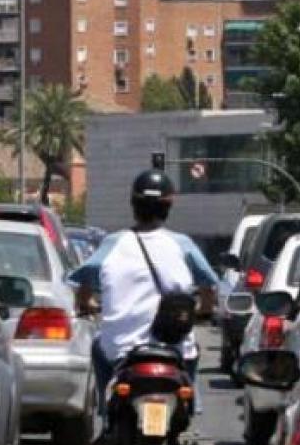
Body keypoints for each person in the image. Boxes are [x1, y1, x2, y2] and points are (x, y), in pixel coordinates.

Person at [68, 169, 219, 408]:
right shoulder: (182, 244)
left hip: (120, 349)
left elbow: (85, 279)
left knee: (98, 347)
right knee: (192, 350)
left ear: (133, 204)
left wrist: (86, 302)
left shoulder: (112, 243)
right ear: (168, 207)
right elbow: (208, 285)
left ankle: (106, 416)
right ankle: (190, 408)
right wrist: (205, 309)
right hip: (174, 348)